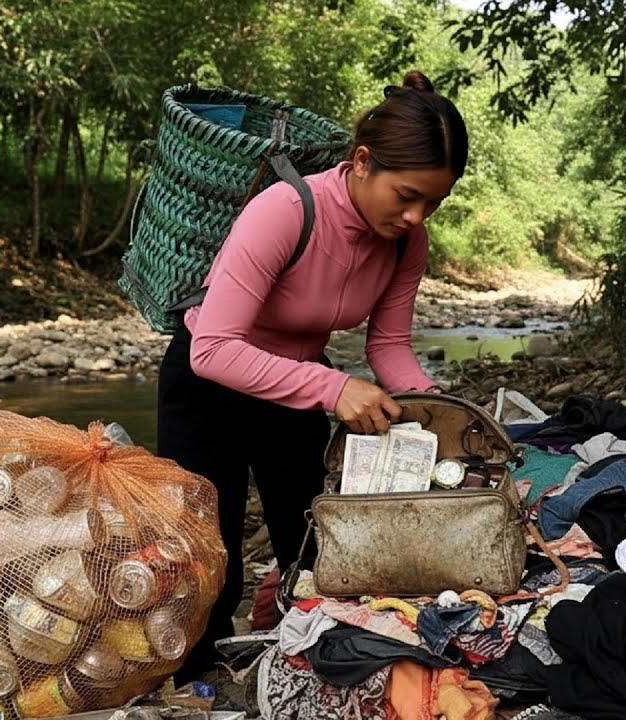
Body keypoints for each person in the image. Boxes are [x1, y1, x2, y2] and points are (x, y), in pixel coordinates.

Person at [157, 70, 468, 680]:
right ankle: (194, 685)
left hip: (295, 390)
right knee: (205, 562)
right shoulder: (285, 209)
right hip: (208, 388)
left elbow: (390, 347)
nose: (415, 215)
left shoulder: (408, 243)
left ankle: (303, 666)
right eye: (406, 194)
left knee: (316, 545)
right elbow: (214, 348)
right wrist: (335, 388)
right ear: (360, 163)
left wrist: (442, 412)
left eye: (433, 202)